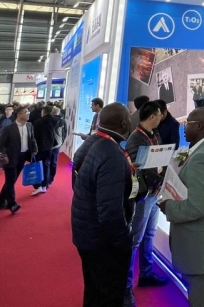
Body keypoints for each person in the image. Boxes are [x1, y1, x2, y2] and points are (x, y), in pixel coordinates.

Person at [159, 108, 204, 307]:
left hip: (202, 247)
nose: (183, 127)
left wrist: (168, 206)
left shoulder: (201, 156)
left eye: (187, 123)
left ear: (198, 126)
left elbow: (197, 207)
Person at [72, 103, 135, 307]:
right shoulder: (111, 153)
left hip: (88, 233)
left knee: (94, 292)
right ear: (124, 123)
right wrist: (124, 240)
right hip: (102, 242)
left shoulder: (95, 143)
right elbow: (110, 212)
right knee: (108, 296)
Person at [124, 102, 168, 307]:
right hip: (143, 195)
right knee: (135, 239)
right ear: (151, 116)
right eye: (159, 114)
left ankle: (146, 273)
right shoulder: (136, 138)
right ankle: (126, 285)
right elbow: (138, 167)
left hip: (155, 193)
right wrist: (156, 182)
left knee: (149, 234)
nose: (161, 117)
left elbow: (160, 161)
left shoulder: (154, 135)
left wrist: (161, 182)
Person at [0, 106, 37, 214]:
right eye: (26, 112)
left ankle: (0, 201)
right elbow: (2, 144)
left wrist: (34, 149)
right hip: (10, 157)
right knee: (10, 180)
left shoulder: (29, 125)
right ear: (19, 114)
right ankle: (12, 204)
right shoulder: (8, 128)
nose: (28, 114)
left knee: (12, 180)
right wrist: (3, 155)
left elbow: (32, 138)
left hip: (23, 156)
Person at [31, 106, 56, 196]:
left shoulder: (39, 122)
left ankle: (39, 185)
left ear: (43, 112)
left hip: (40, 147)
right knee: (46, 166)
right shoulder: (54, 121)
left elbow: (35, 136)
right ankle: (44, 185)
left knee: (38, 166)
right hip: (49, 147)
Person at [48, 107, 66, 187]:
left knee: (47, 161)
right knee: (54, 161)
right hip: (58, 143)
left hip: (49, 143)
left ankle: (46, 177)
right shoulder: (62, 121)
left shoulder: (48, 120)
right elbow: (65, 132)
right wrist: (62, 141)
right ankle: (51, 178)